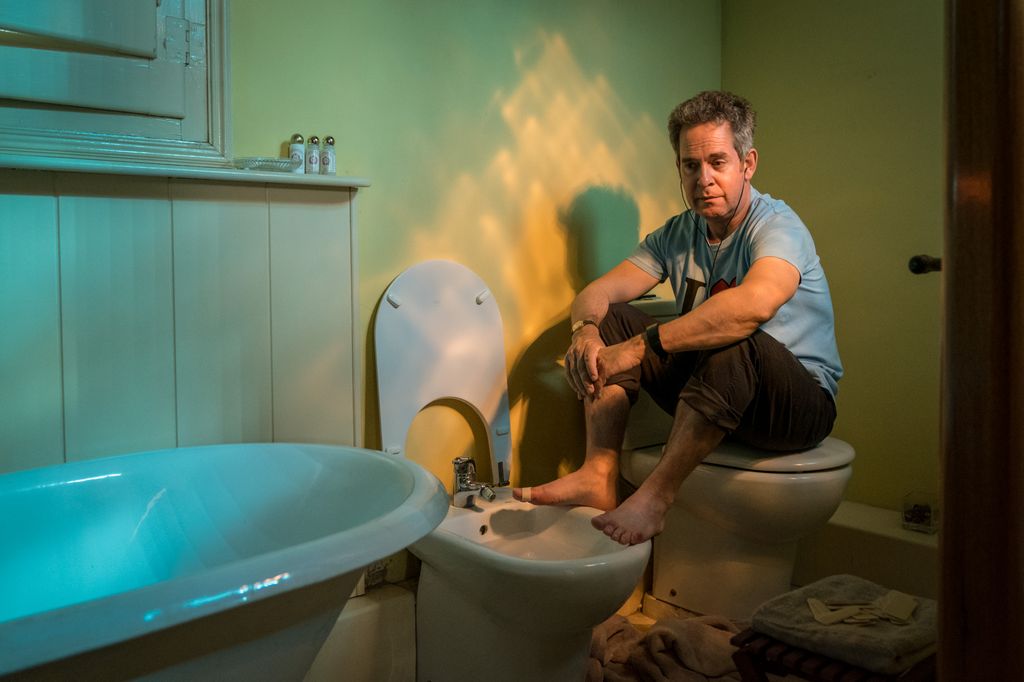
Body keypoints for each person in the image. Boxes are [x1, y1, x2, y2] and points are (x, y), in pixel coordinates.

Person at [513, 90, 842, 546]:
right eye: (691, 166)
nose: (703, 179)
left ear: (748, 164)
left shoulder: (777, 227)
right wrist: (585, 332)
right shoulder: (678, 233)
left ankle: (657, 496)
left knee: (733, 333)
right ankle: (598, 472)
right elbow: (598, 293)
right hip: (724, 394)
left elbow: (755, 306)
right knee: (615, 319)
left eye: (718, 163)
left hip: (796, 406)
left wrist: (638, 349)